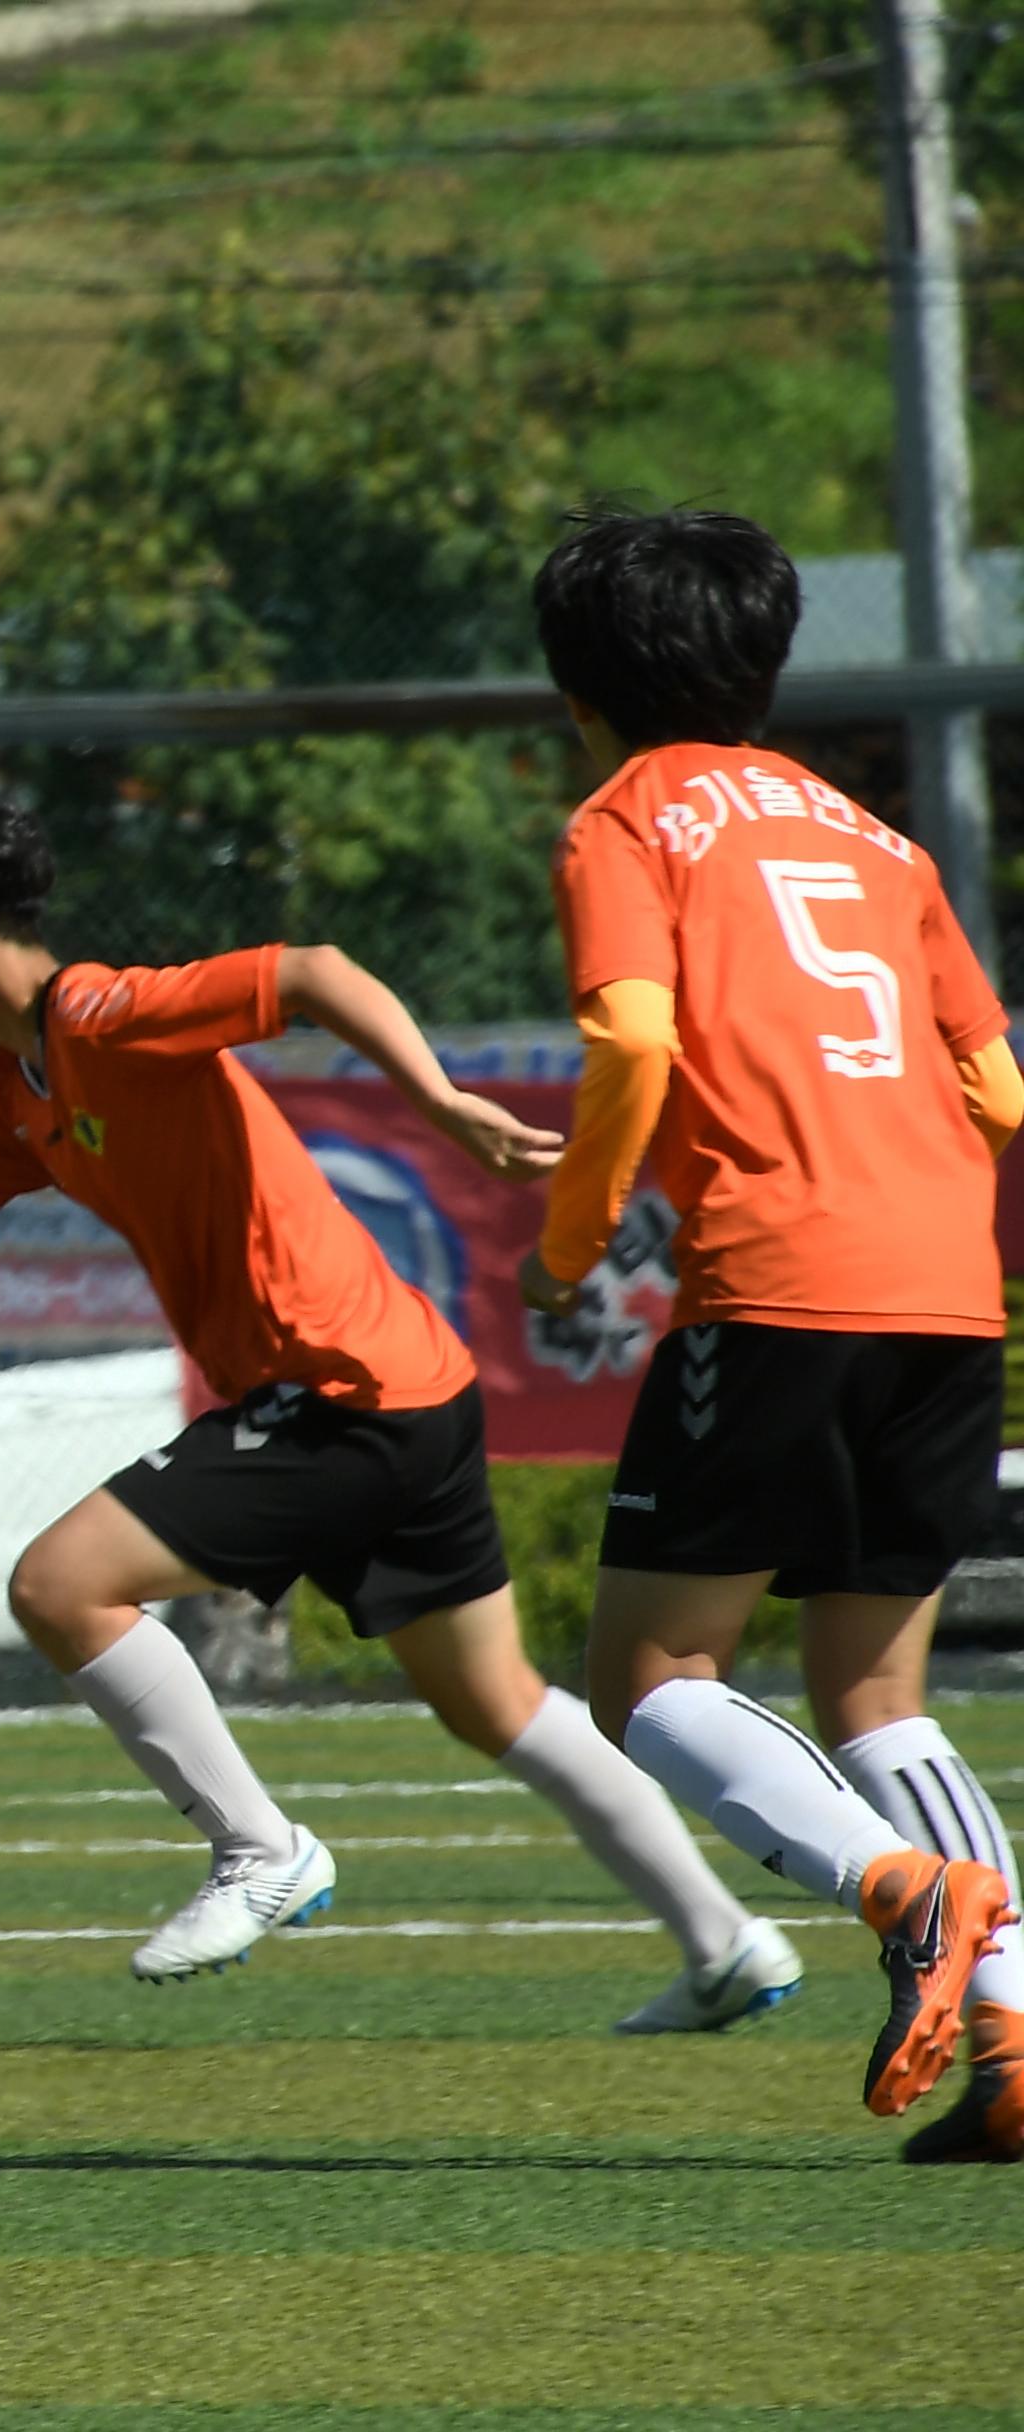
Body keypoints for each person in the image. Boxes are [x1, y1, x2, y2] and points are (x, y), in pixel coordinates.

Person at [0, 790, 803, 2024]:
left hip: (339, 1388)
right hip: (409, 1383)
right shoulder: (4, 1095)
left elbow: (311, 970)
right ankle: (727, 1941)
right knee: (495, 1702)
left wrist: (439, 1100)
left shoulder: (99, 1011)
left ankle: (263, 1848)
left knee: (59, 1584)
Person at [518, 506, 1021, 2156]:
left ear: (572, 685)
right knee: (877, 1688)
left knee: (645, 1672)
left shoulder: (623, 818)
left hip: (773, 1277)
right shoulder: (880, 842)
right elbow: (993, 1086)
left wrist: (570, 1237)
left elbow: (635, 1047)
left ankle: (895, 1892)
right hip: (946, 1282)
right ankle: (1015, 2038)